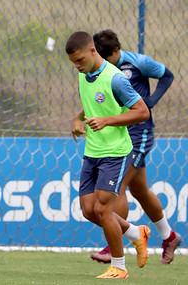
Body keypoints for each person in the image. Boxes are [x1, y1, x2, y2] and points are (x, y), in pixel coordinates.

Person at [65, 31, 152, 279]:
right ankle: (136, 234)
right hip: (92, 151)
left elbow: (141, 111)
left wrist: (108, 121)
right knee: (87, 210)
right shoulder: (84, 74)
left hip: (115, 152)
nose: (77, 66)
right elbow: (93, 102)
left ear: (93, 51)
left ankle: (119, 267)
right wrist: (76, 118)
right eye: (73, 63)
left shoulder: (116, 79)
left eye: (80, 60)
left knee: (103, 209)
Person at [90, 29, 180, 265]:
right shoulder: (101, 69)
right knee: (139, 190)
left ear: (117, 51)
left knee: (116, 187)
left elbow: (167, 75)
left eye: (107, 58)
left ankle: (113, 245)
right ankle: (169, 237)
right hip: (120, 137)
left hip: (139, 134)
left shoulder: (138, 63)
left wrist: (150, 103)